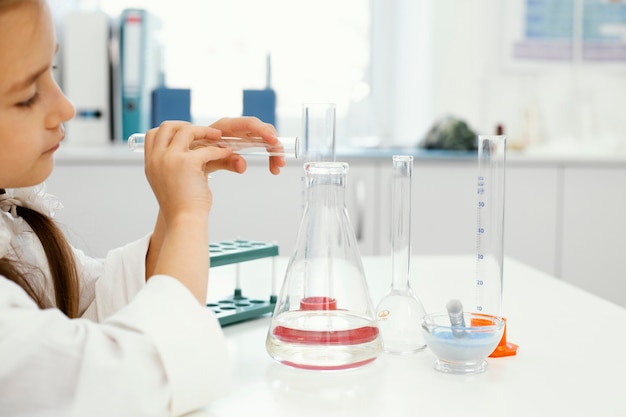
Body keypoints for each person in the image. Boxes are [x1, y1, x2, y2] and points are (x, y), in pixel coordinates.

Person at [0, 0, 285, 415]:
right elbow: (130, 381)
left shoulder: (12, 225)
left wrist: (182, 193)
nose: (66, 108)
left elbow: (94, 300)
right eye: (28, 96)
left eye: (53, 73)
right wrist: (188, 214)